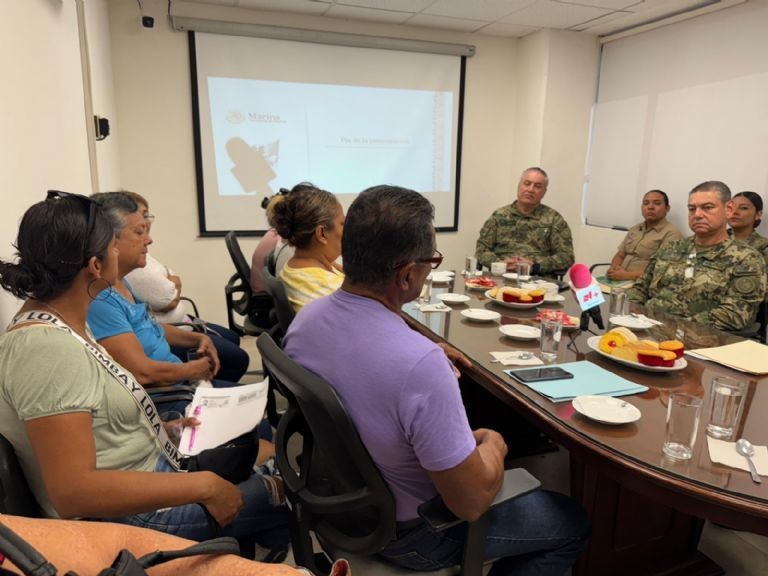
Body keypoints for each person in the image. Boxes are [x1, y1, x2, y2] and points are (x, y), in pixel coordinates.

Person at [284, 185, 589, 575]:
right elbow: (471, 502)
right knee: (571, 521)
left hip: (336, 503)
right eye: (432, 261)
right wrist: (494, 446)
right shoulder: (420, 364)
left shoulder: (306, 323)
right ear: (408, 275)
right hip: (414, 535)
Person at [0, 191, 289, 550]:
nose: (121, 252)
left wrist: (162, 428)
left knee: (266, 459)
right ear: (95, 265)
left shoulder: (67, 319)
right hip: (126, 515)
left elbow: (93, 422)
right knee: (293, 485)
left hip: (148, 471)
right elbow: (73, 492)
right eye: (114, 246)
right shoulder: (46, 349)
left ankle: (231, 549)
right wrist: (204, 486)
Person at [121, 191, 249, 383]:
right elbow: (167, 297)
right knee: (237, 358)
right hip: (174, 389)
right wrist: (191, 371)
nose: (148, 237)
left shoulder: (122, 282)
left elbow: (153, 321)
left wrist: (197, 339)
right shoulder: (106, 296)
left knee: (231, 342)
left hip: (178, 351)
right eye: (138, 230)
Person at [628, 181, 766, 331]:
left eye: (708, 207)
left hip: (699, 341)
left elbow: (734, 315)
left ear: (728, 210)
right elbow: (640, 289)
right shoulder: (672, 248)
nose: (698, 215)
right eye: (692, 209)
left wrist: (673, 328)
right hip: (646, 330)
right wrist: (631, 317)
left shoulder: (746, 258)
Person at [0, 514, 311, 576]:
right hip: (140, 505)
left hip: (163, 452)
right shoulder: (44, 349)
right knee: (277, 498)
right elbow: (71, 491)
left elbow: (112, 546)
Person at [475, 167, 574, 276]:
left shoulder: (553, 219)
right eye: (527, 183)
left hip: (538, 281)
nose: (531, 189)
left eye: (537, 186)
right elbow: (481, 249)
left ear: (544, 192)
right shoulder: (499, 215)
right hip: (501, 278)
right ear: (519, 186)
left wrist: (535, 266)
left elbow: (567, 256)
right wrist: (500, 264)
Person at [272, 184, 345, 312]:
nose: (346, 231)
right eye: (342, 224)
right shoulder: (330, 292)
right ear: (322, 233)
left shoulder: (297, 265)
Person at [606, 190, 683, 281]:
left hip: (642, 285)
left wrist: (625, 275)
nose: (650, 207)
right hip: (619, 279)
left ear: (667, 208)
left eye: (657, 203)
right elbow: (620, 255)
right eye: (646, 203)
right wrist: (614, 269)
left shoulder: (672, 234)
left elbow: (663, 271)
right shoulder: (635, 229)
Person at [727, 191, 768, 266]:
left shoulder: (764, 247)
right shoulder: (711, 239)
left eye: (743, 208)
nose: (734, 212)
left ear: (758, 214)